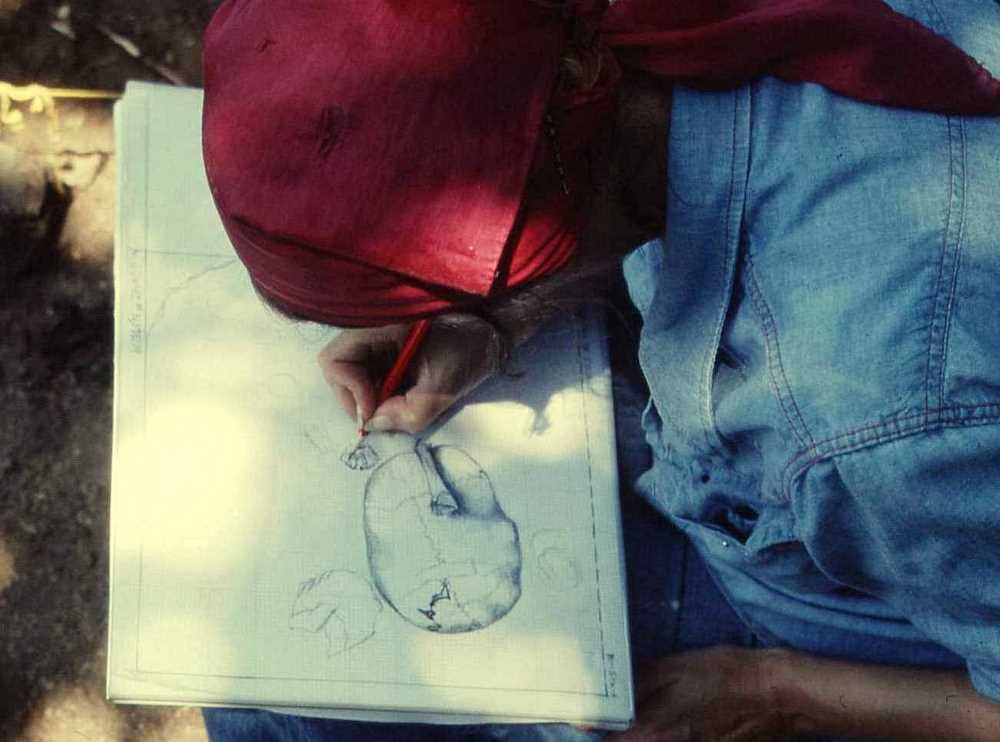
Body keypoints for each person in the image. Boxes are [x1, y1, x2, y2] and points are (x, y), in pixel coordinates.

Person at [199, 0, 1000, 739]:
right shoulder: (602, 42)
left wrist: (769, 690)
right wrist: (493, 322)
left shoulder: (877, 416)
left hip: (858, 620)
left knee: (274, 714)